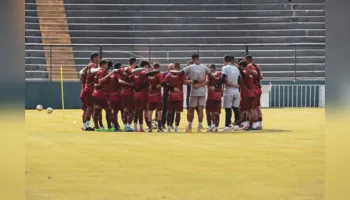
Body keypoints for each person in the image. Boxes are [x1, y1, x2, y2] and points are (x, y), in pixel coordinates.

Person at [170, 53, 213, 132]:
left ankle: (189, 126)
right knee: (200, 109)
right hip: (203, 91)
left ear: (192, 59)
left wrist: (171, 71)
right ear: (198, 58)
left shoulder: (190, 67)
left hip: (194, 91)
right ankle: (199, 127)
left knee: (191, 109)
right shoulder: (204, 67)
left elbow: (180, 73)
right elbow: (210, 76)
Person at [113, 57, 137, 132]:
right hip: (129, 92)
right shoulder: (132, 70)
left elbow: (114, 70)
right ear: (134, 63)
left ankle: (125, 126)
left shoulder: (122, 69)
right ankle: (128, 126)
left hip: (122, 92)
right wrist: (130, 84)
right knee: (132, 111)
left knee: (125, 110)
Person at [99, 63, 123, 132]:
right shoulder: (116, 75)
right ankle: (116, 126)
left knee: (112, 112)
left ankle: (114, 125)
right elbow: (119, 82)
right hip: (116, 95)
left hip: (110, 95)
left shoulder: (109, 75)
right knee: (115, 112)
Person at [163, 62, 187, 132]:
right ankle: (176, 127)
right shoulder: (181, 75)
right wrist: (195, 81)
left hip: (171, 96)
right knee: (178, 112)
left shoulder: (169, 75)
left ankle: (168, 127)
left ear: (174, 68)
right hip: (179, 96)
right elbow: (186, 81)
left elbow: (164, 84)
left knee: (169, 112)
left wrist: (172, 88)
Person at [220, 55, 241, 131]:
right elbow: (239, 80)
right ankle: (237, 125)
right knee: (236, 108)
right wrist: (236, 85)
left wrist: (216, 85)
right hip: (236, 90)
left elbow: (223, 78)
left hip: (228, 90)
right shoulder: (236, 68)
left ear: (224, 60)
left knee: (228, 109)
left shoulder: (225, 68)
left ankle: (227, 125)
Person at [80, 52, 100, 131]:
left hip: (85, 89)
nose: (98, 59)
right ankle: (87, 125)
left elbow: (81, 73)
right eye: (97, 57)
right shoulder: (93, 65)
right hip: (90, 90)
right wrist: (100, 68)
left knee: (86, 108)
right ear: (94, 58)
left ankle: (84, 125)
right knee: (90, 107)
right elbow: (92, 70)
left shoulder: (87, 66)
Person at [91, 60, 113, 132]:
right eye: (106, 65)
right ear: (103, 65)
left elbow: (95, 84)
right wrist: (108, 75)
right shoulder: (101, 72)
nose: (107, 66)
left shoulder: (97, 72)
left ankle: (97, 127)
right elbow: (100, 81)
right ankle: (109, 127)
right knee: (108, 109)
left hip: (95, 93)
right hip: (101, 94)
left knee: (97, 110)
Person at [237, 60, 258, 130]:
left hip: (246, 94)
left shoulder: (244, 72)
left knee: (241, 110)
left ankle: (239, 124)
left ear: (242, 66)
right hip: (251, 93)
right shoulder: (250, 72)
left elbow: (241, 74)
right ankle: (250, 125)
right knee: (251, 110)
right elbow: (255, 73)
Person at [129, 62, 149, 132]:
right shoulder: (143, 74)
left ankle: (135, 127)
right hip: (142, 94)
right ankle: (141, 127)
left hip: (136, 94)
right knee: (140, 111)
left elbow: (129, 78)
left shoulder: (133, 75)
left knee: (136, 111)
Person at [245, 55, 263, 129]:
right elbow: (261, 77)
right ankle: (259, 123)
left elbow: (255, 74)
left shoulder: (250, 66)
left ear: (247, 60)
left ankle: (255, 123)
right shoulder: (256, 67)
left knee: (253, 108)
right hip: (258, 88)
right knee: (257, 107)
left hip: (254, 89)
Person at [146, 63, 164, 132]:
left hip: (150, 95)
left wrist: (151, 87)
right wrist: (154, 87)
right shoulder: (159, 74)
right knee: (159, 111)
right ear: (158, 67)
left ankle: (150, 128)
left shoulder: (148, 75)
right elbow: (161, 84)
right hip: (157, 95)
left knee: (150, 111)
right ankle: (159, 128)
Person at [205, 64, 223, 132]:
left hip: (211, 96)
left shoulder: (208, 75)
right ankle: (216, 127)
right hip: (218, 96)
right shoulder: (219, 75)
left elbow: (207, 82)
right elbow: (222, 82)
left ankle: (210, 127)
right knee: (216, 112)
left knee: (208, 112)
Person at [161, 63, 175, 130]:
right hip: (166, 94)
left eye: (172, 67)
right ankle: (163, 123)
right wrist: (171, 88)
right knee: (164, 109)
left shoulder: (176, 74)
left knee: (173, 110)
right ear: (168, 68)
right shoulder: (164, 74)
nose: (171, 69)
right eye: (170, 67)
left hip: (173, 94)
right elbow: (163, 83)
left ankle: (170, 123)